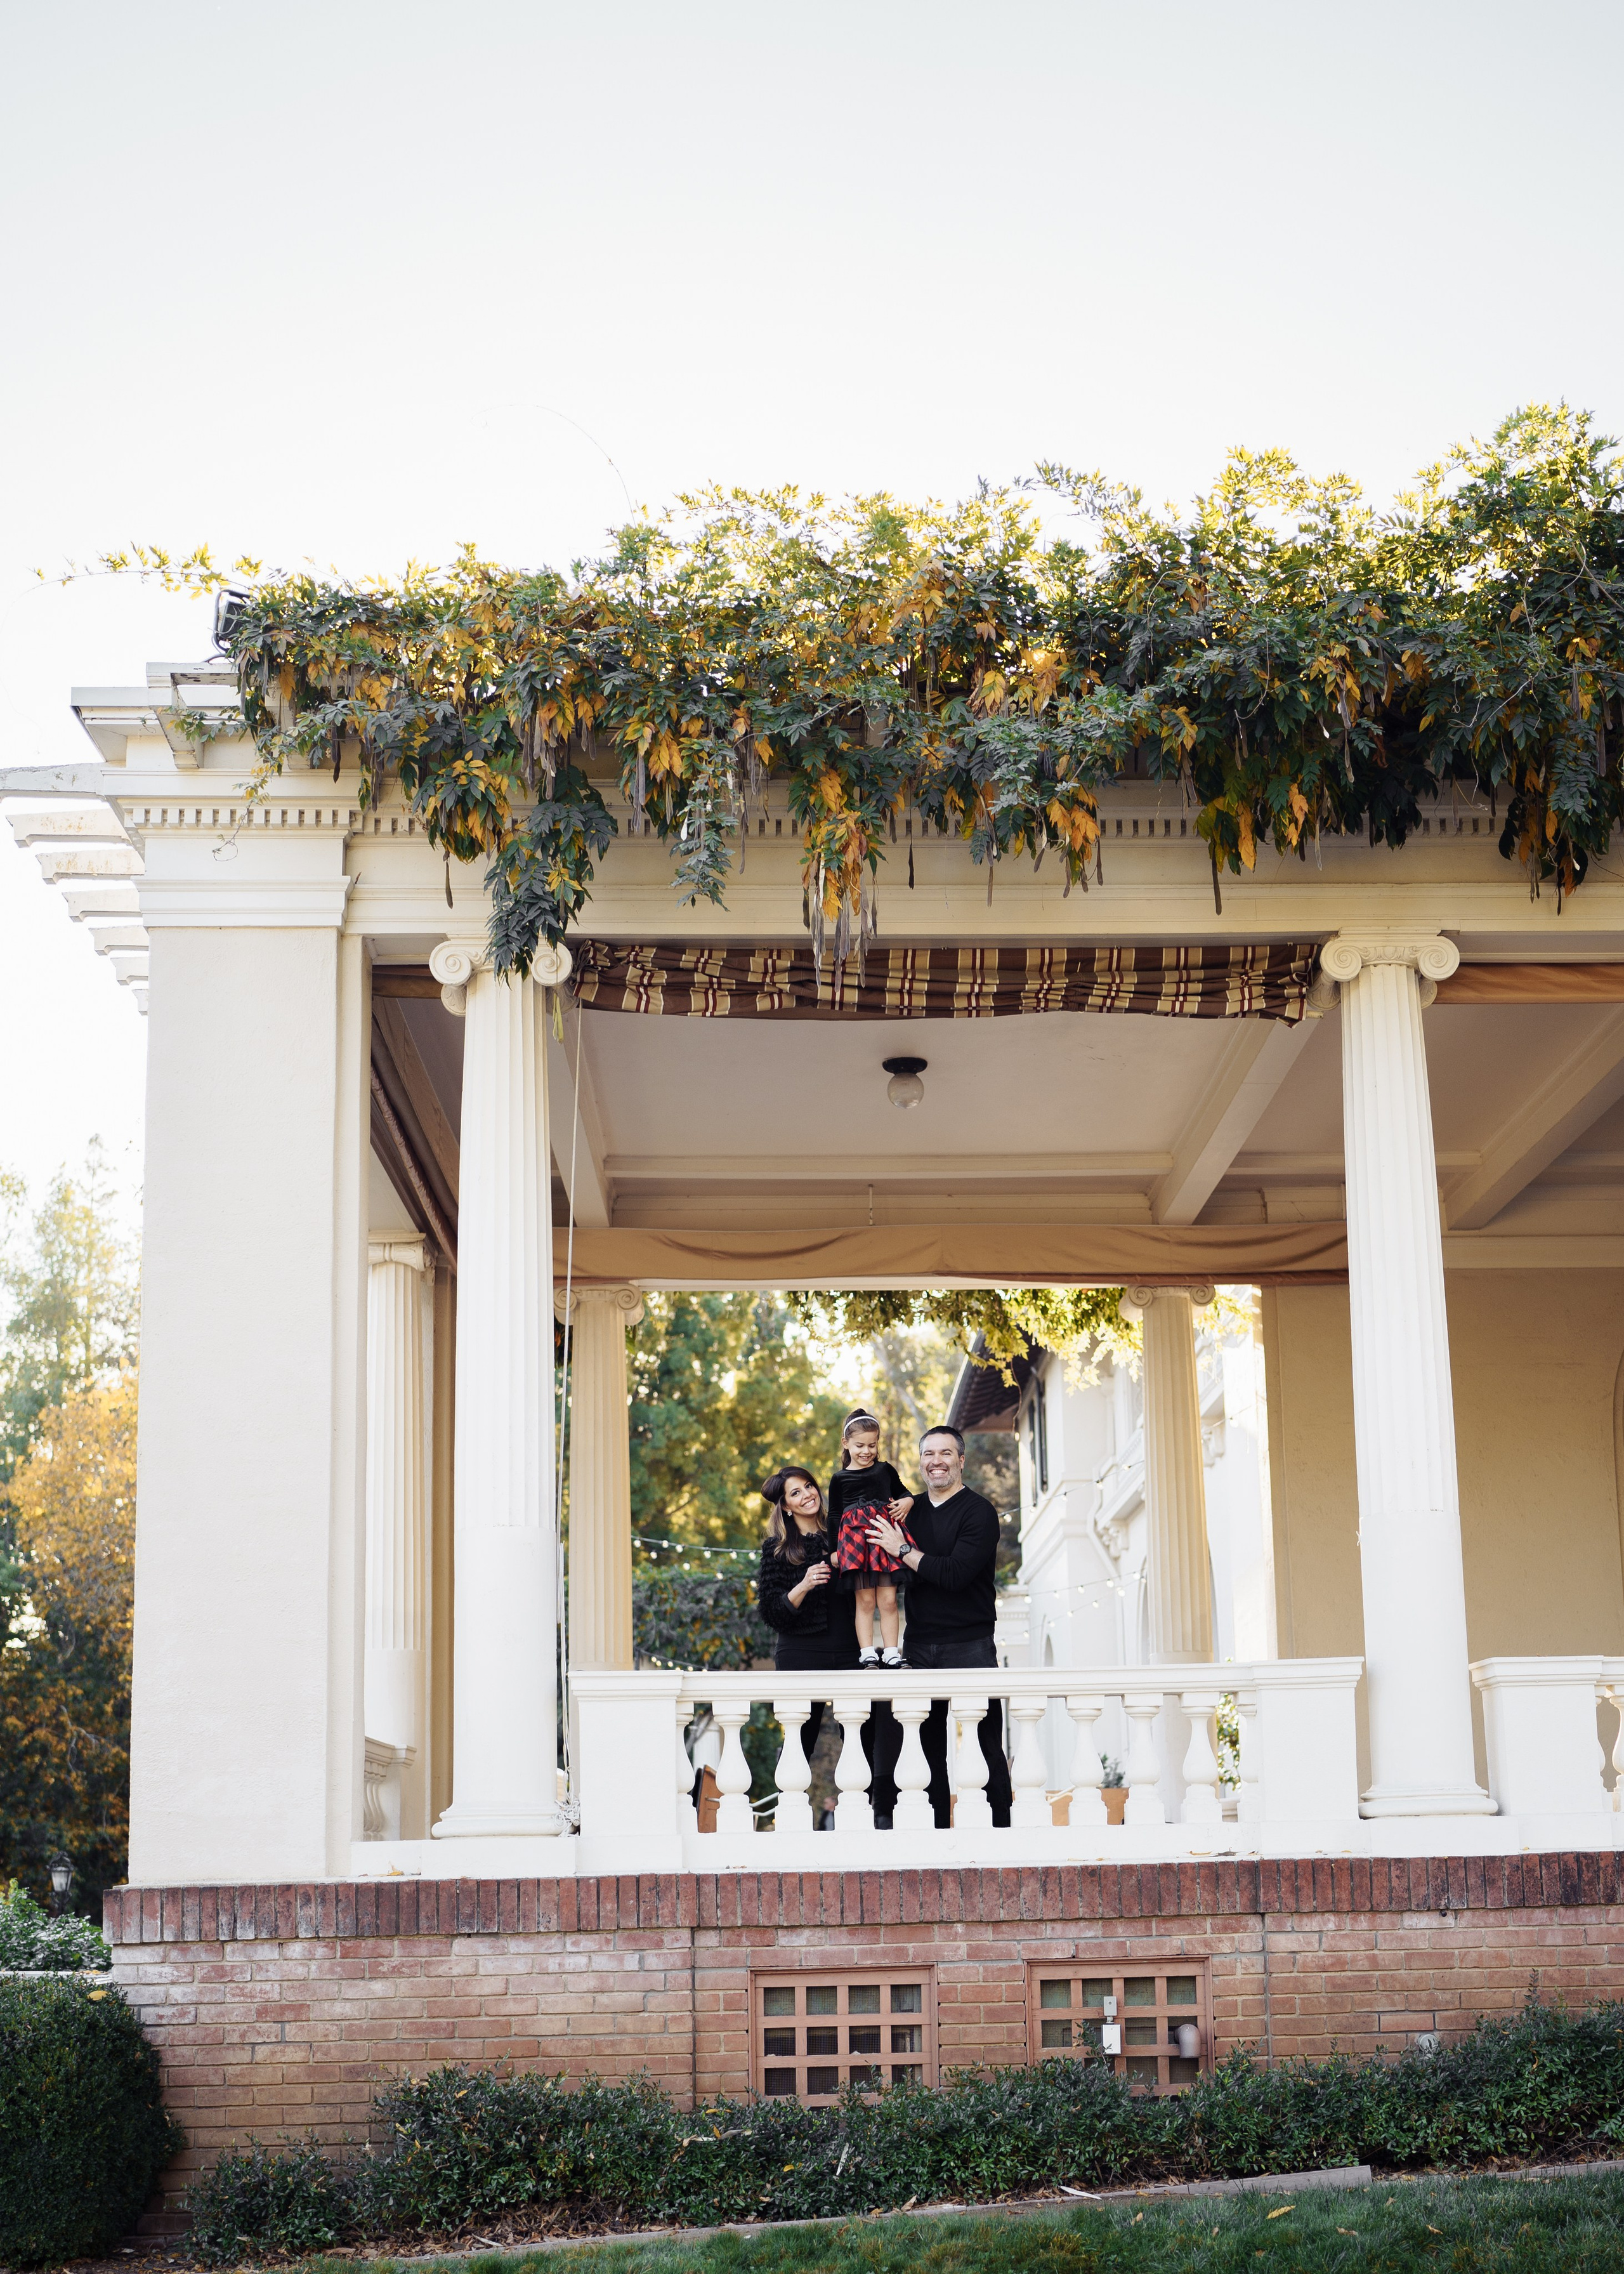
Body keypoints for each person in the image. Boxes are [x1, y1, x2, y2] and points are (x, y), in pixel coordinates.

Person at [865, 1423, 1012, 1829]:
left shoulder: (979, 1512)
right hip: (919, 1645)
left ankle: (1002, 1832)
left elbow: (955, 1575)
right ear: (921, 1462)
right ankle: (937, 1836)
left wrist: (903, 1549)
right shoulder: (908, 1512)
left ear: (961, 1460)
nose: (937, 1462)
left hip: (971, 1645)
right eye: (929, 1454)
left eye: (946, 1453)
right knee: (926, 1749)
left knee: (985, 1745)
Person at [756, 1466, 860, 1788]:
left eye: (809, 1486)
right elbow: (772, 1613)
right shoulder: (776, 1549)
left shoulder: (843, 1533)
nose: (807, 1495)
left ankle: (872, 1813)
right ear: (786, 1506)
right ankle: (789, 1813)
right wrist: (803, 1585)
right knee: (799, 1741)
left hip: (848, 1650)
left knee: (861, 1736)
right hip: (799, 1654)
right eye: (796, 1493)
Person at [826, 1407, 915, 1668]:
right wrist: (834, 1552)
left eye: (872, 1446)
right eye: (859, 1446)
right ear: (846, 1444)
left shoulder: (885, 1470)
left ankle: (891, 1653)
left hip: (883, 1538)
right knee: (864, 1600)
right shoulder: (839, 1478)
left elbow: (904, 1492)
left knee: (887, 1599)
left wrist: (908, 1502)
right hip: (855, 1544)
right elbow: (833, 1516)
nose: (866, 1451)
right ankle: (867, 1654)